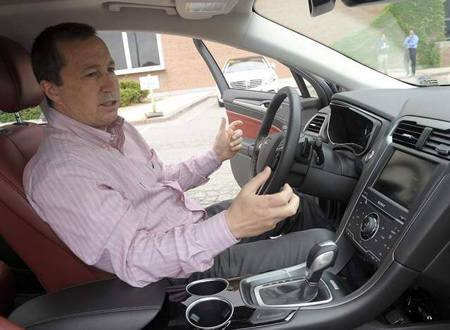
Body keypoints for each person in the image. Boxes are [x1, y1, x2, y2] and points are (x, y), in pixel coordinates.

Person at [24, 23, 333, 288]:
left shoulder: (115, 128)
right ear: (53, 90)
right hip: (182, 271)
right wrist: (231, 225)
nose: (111, 84)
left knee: (295, 205)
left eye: (110, 69)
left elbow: (159, 179)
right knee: (323, 244)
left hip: (191, 226)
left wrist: (215, 155)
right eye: (91, 74)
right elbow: (135, 259)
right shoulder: (63, 171)